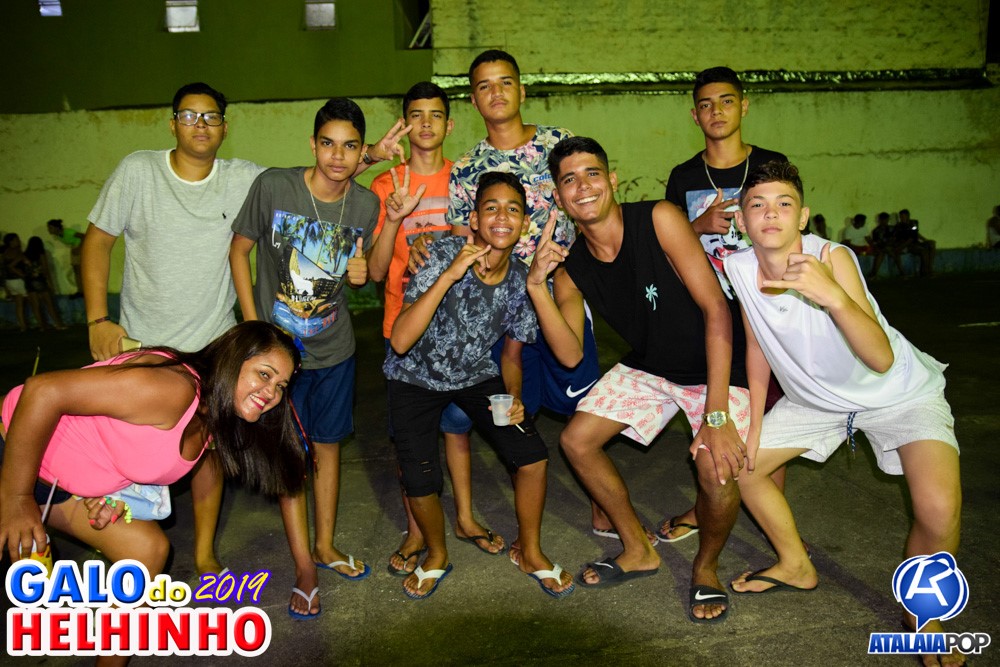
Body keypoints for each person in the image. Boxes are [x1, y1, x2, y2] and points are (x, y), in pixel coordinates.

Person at [82, 82, 408, 578]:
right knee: (131, 440)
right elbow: (99, 241)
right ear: (172, 122)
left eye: (210, 117)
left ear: (224, 127)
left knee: (209, 445)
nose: (200, 125)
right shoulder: (144, 171)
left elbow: (326, 182)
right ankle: (112, 532)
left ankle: (209, 551)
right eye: (189, 116)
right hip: (152, 337)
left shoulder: (247, 178)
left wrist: (373, 157)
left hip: (227, 339)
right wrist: (98, 319)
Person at [725, 161, 962, 667]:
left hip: (899, 394)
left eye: (784, 203)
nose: (771, 213)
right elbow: (757, 344)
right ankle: (795, 564)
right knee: (744, 469)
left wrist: (832, 295)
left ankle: (924, 614)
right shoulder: (738, 267)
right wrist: (755, 426)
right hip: (816, 402)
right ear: (741, 221)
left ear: (802, 216)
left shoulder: (833, 258)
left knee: (939, 512)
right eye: (757, 205)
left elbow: (881, 358)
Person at [529, 136, 749, 622]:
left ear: (612, 179)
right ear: (559, 197)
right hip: (650, 365)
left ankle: (706, 568)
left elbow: (716, 309)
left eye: (592, 173)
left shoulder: (659, 218)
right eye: (569, 180)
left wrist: (716, 416)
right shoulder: (571, 269)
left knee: (716, 467)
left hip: (716, 363)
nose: (583, 186)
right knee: (577, 441)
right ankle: (637, 549)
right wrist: (536, 286)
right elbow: (569, 354)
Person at [0, 321, 306, 664]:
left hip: (58, 484)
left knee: (147, 551)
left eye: (281, 386)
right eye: (264, 374)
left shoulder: (213, 416)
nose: (271, 393)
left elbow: (130, 444)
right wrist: (16, 499)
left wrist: (112, 496)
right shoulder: (173, 388)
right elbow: (43, 391)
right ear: (233, 360)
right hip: (13, 454)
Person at [384, 171, 575, 600]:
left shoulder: (522, 279)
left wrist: (515, 399)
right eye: (491, 208)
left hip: (474, 375)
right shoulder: (442, 253)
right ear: (473, 219)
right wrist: (449, 275)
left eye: (512, 209)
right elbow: (399, 341)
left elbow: (511, 357)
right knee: (420, 475)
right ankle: (436, 553)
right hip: (412, 375)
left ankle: (530, 551)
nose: (502, 217)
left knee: (532, 456)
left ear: (523, 222)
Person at [230, 97, 378, 620]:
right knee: (290, 454)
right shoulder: (275, 187)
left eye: (350, 146)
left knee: (329, 448)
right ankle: (303, 567)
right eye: (328, 143)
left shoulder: (365, 206)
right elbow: (239, 250)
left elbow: (359, 272)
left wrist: (362, 273)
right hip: (279, 356)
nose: (338, 156)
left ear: (361, 151)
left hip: (335, 350)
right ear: (313, 144)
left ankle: (325, 545)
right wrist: (255, 330)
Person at [410, 49, 600, 421]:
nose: (496, 93)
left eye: (505, 82)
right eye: (485, 86)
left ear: (522, 91)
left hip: (561, 295)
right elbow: (464, 245)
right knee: (516, 410)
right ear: (473, 100)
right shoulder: (466, 169)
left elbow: (589, 211)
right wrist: (429, 245)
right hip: (502, 309)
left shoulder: (558, 144)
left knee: (578, 403)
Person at [368, 82, 505, 573]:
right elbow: (377, 269)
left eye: (435, 115)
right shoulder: (385, 185)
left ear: (450, 124)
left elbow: (483, 244)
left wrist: (445, 243)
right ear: (404, 124)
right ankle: (416, 531)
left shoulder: (465, 178)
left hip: (458, 328)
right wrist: (399, 230)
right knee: (411, 439)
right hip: (402, 325)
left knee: (458, 428)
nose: (425, 124)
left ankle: (464, 518)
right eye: (415, 115)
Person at [659, 65, 788, 544]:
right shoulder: (684, 176)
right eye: (706, 104)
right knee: (710, 416)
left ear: (744, 106)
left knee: (770, 418)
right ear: (695, 116)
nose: (717, 111)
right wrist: (696, 226)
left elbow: (790, 231)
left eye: (727, 101)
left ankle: (771, 521)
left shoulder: (772, 164)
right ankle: (706, 506)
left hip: (767, 311)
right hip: (709, 316)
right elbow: (667, 248)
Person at [23, 236, 66, 330]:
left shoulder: (24, 254)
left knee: (35, 305)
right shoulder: (40, 253)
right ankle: (58, 324)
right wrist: (50, 283)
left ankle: (42, 326)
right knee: (49, 303)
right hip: (40, 280)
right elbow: (45, 269)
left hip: (29, 281)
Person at [47, 218, 85, 298]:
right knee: (76, 271)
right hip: (75, 249)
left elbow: (84, 236)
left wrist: (79, 248)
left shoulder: (67, 232)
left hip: (82, 249)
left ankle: (84, 291)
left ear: (56, 228)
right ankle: (80, 291)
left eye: (50, 228)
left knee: (80, 271)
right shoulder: (59, 236)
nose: (49, 230)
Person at [3, 233, 33, 331]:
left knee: (19, 304)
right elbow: (11, 266)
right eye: (16, 239)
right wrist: (22, 274)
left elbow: (5, 267)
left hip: (9, 281)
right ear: (11, 242)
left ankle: (23, 326)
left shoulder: (6, 252)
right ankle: (41, 323)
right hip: (18, 280)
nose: (19, 241)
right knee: (33, 301)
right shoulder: (17, 251)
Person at [894, 208, 936, 277]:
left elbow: (915, 233)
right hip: (909, 245)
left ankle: (930, 267)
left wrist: (925, 240)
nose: (901, 218)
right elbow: (906, 239)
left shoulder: (913, 223)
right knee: (923, 251)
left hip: (916, 242)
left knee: (932, 243)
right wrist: (901, 247)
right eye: (900, 217)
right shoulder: (899, 226)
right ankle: (925, 271)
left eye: (903, 217)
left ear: (908, 216)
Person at [867, 211, 905, 278]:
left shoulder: (892, 228)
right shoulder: (876, 231)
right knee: (883, 253)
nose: (885, 221)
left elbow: (894, 238)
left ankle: (873, 274)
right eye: (883, 220)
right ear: (880, 220)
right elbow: (877, 242)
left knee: (893, 252)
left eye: (886, 220)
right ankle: (902, 273)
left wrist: (890, 245)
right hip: (882, 248)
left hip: (890, 247)